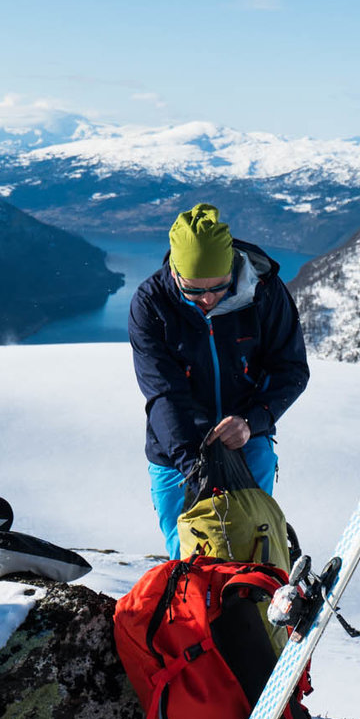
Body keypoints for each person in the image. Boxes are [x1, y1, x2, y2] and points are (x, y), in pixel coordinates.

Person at [129, 202, 310, 557]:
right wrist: (194, 465)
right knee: (186, 554)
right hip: (175, 451)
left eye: (220, 287)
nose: (208, 299)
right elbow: (163, 393)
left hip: (247, 440)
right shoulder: (152, 304)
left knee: (253, 551)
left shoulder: (264, 292)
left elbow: (291, 369)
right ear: (174, 272)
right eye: (194, 290)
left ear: (232, 268)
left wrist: (251, 420)